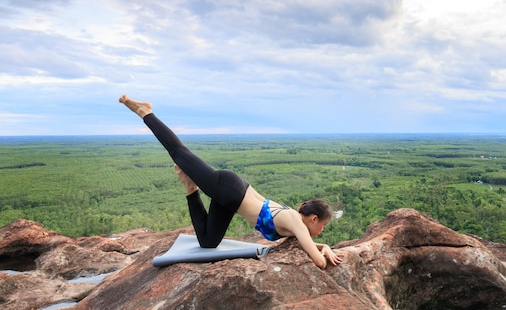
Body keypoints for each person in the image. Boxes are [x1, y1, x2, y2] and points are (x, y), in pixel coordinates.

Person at [119, 95, 343, 269]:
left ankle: (190, 189)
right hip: (229, 189)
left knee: (208, 243)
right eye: (322, 226)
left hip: (231, 200)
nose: (322, 231)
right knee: (178, 153)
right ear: (313, 219)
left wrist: (326, 247)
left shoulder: (297, 224)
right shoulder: (295, 220)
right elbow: (320, 262)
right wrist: (324, 252)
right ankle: (145, 111)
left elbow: (311, 245)